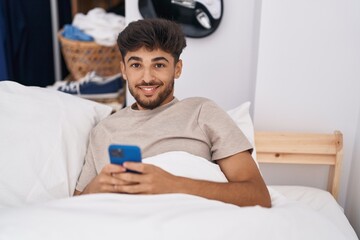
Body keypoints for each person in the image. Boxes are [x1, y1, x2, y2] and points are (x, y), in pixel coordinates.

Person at [74, 18, 271, 208]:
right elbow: (72, 209)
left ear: (177, 69)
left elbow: (257, 194)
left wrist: (172, 184)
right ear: (124, 70)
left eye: (158, 65)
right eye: (136, 65)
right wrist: (95, 188)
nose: (147, 78)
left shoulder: (202, 112)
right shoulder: (103, 131)